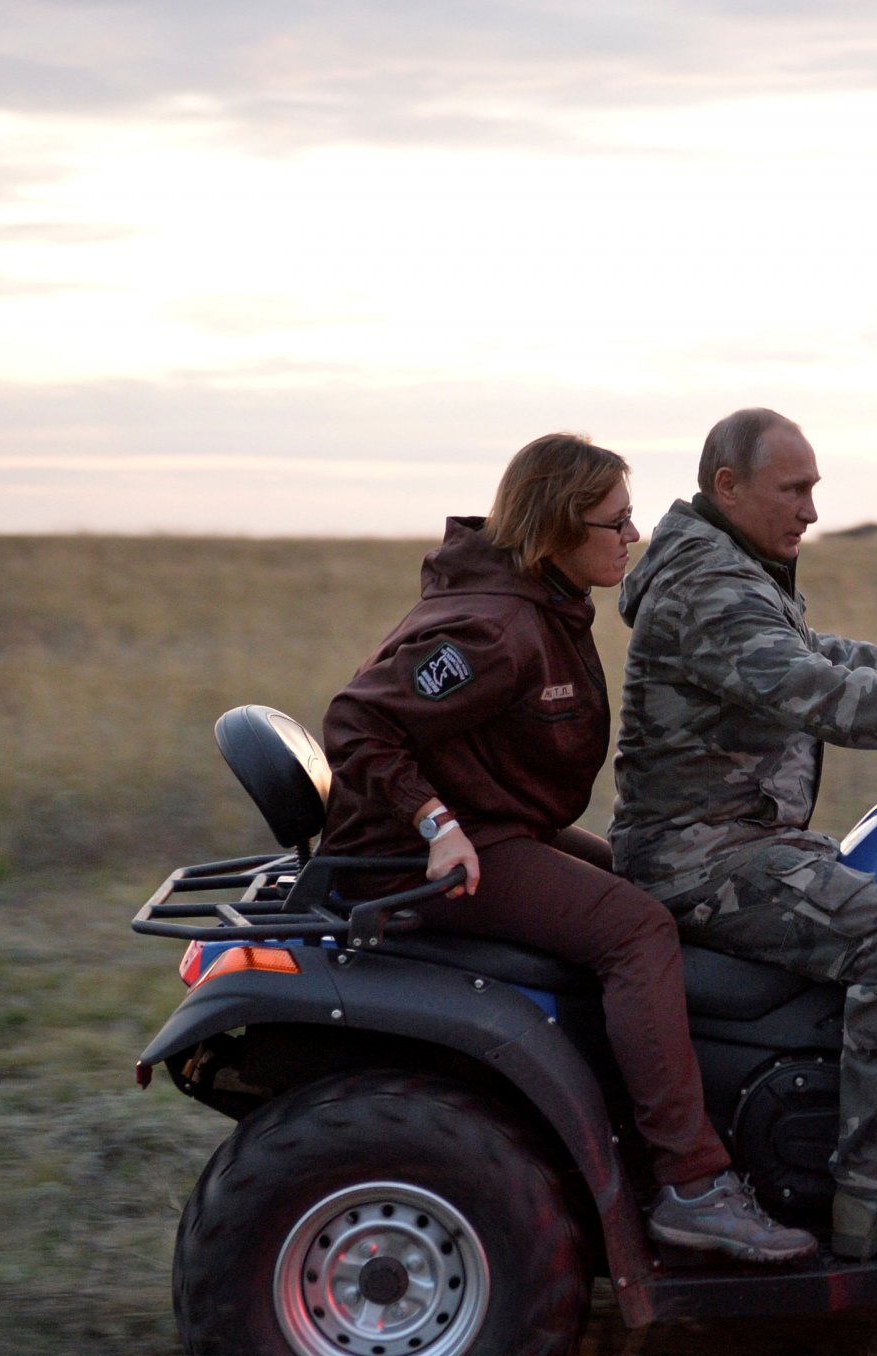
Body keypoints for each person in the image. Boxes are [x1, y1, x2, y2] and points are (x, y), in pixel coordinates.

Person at [319, 433, 816, 1265]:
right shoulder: (494, 626)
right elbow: (356, 722)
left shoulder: (537, 596)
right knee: (636, 928)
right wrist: (434, 826)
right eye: (615, 524)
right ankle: (694, 1185)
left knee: (641, 878)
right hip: (439, 849)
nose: (632, 539)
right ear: (557, 526)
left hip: (501, 823)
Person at [609, 409, 877, 1261]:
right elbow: (812, 687)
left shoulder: (729, 565)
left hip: (730, 835)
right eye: (795, 489)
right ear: (727, 487)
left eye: (815, 488)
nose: (811, 509)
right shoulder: (708, 582)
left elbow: (808, 648)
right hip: (701, 855)